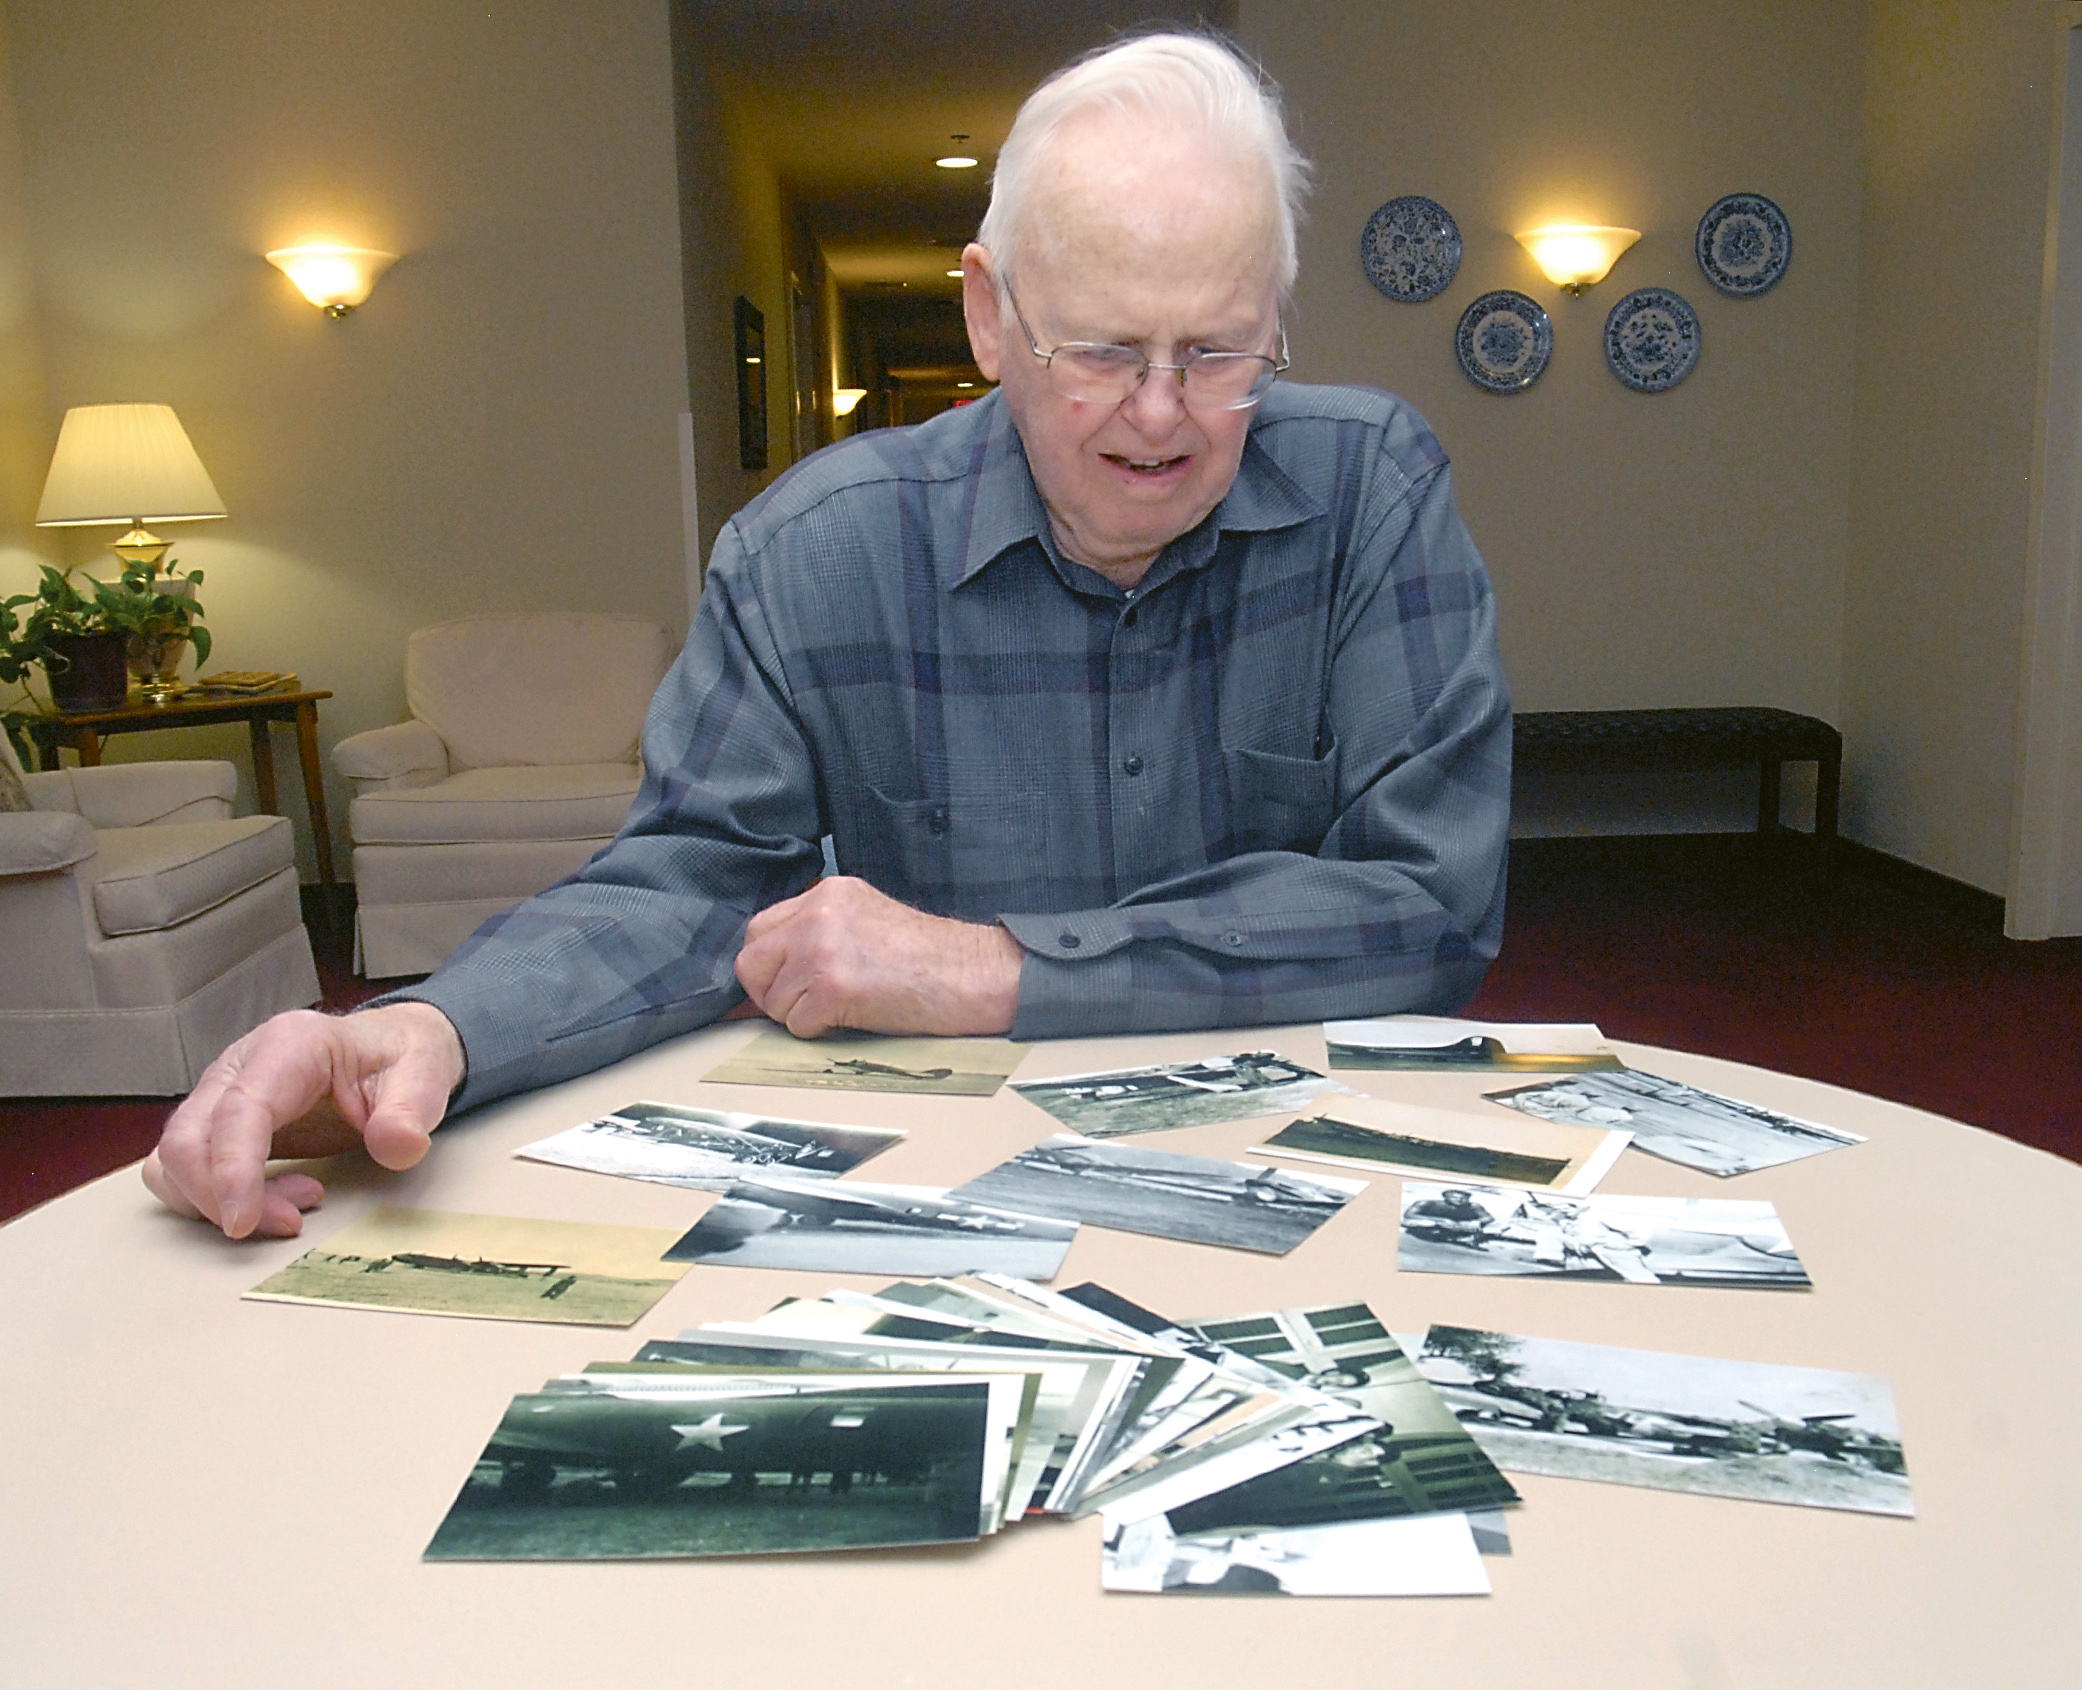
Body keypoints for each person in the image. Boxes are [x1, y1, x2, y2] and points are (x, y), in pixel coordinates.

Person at [145, 30, 1510, 1241]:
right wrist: (425, 1027)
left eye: (1217, 355)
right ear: (988, 312)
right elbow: (685, 888)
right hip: (960, 1201)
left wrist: (989, 967)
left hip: (1312, 1186)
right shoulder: (814, 552)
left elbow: (1432, 902)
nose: (1158, 414)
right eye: (1098, 351)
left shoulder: (1369, 489)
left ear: (1276, 319)